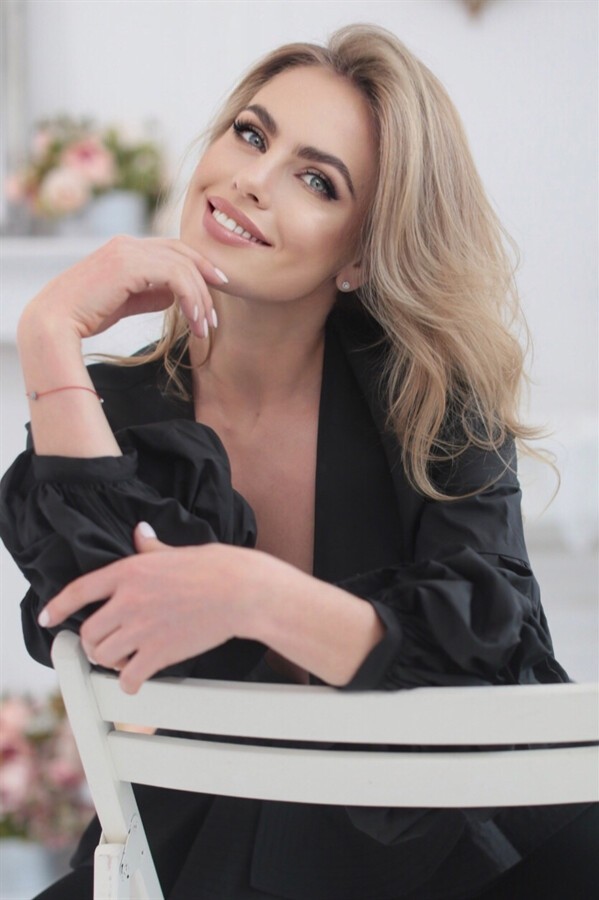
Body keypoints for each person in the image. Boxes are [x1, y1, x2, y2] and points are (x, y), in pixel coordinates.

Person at [0, 23, 596, 900]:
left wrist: (255, 594)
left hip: (447, 860)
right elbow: (111, 632)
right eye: (250, 134)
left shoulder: (430, 401)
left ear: (357, 254)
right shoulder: (109, 413)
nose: (253, 178)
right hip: (194, 853)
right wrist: (48, 332)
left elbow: (491, 648)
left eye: (316, 180)